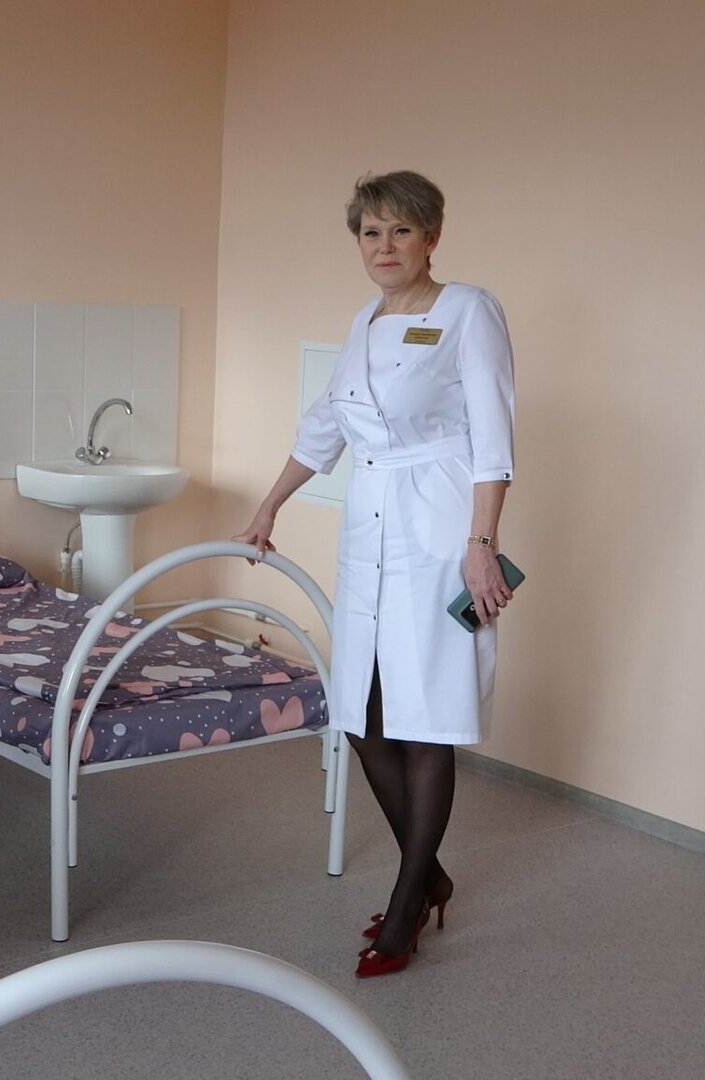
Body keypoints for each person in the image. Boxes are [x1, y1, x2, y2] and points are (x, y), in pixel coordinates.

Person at [234, 170, 516, 978]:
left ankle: (405, 904)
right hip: (368, 526)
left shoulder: (468, 310)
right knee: (363, 716)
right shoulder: (363, 321)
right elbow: (324, 426)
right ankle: (430, 877)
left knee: (426, 716)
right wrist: (270, 505)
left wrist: (481, 542)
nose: (384, 246)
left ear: (432, 237)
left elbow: (494, 435)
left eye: (401, 231)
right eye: (371, 232)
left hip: (439, 529)